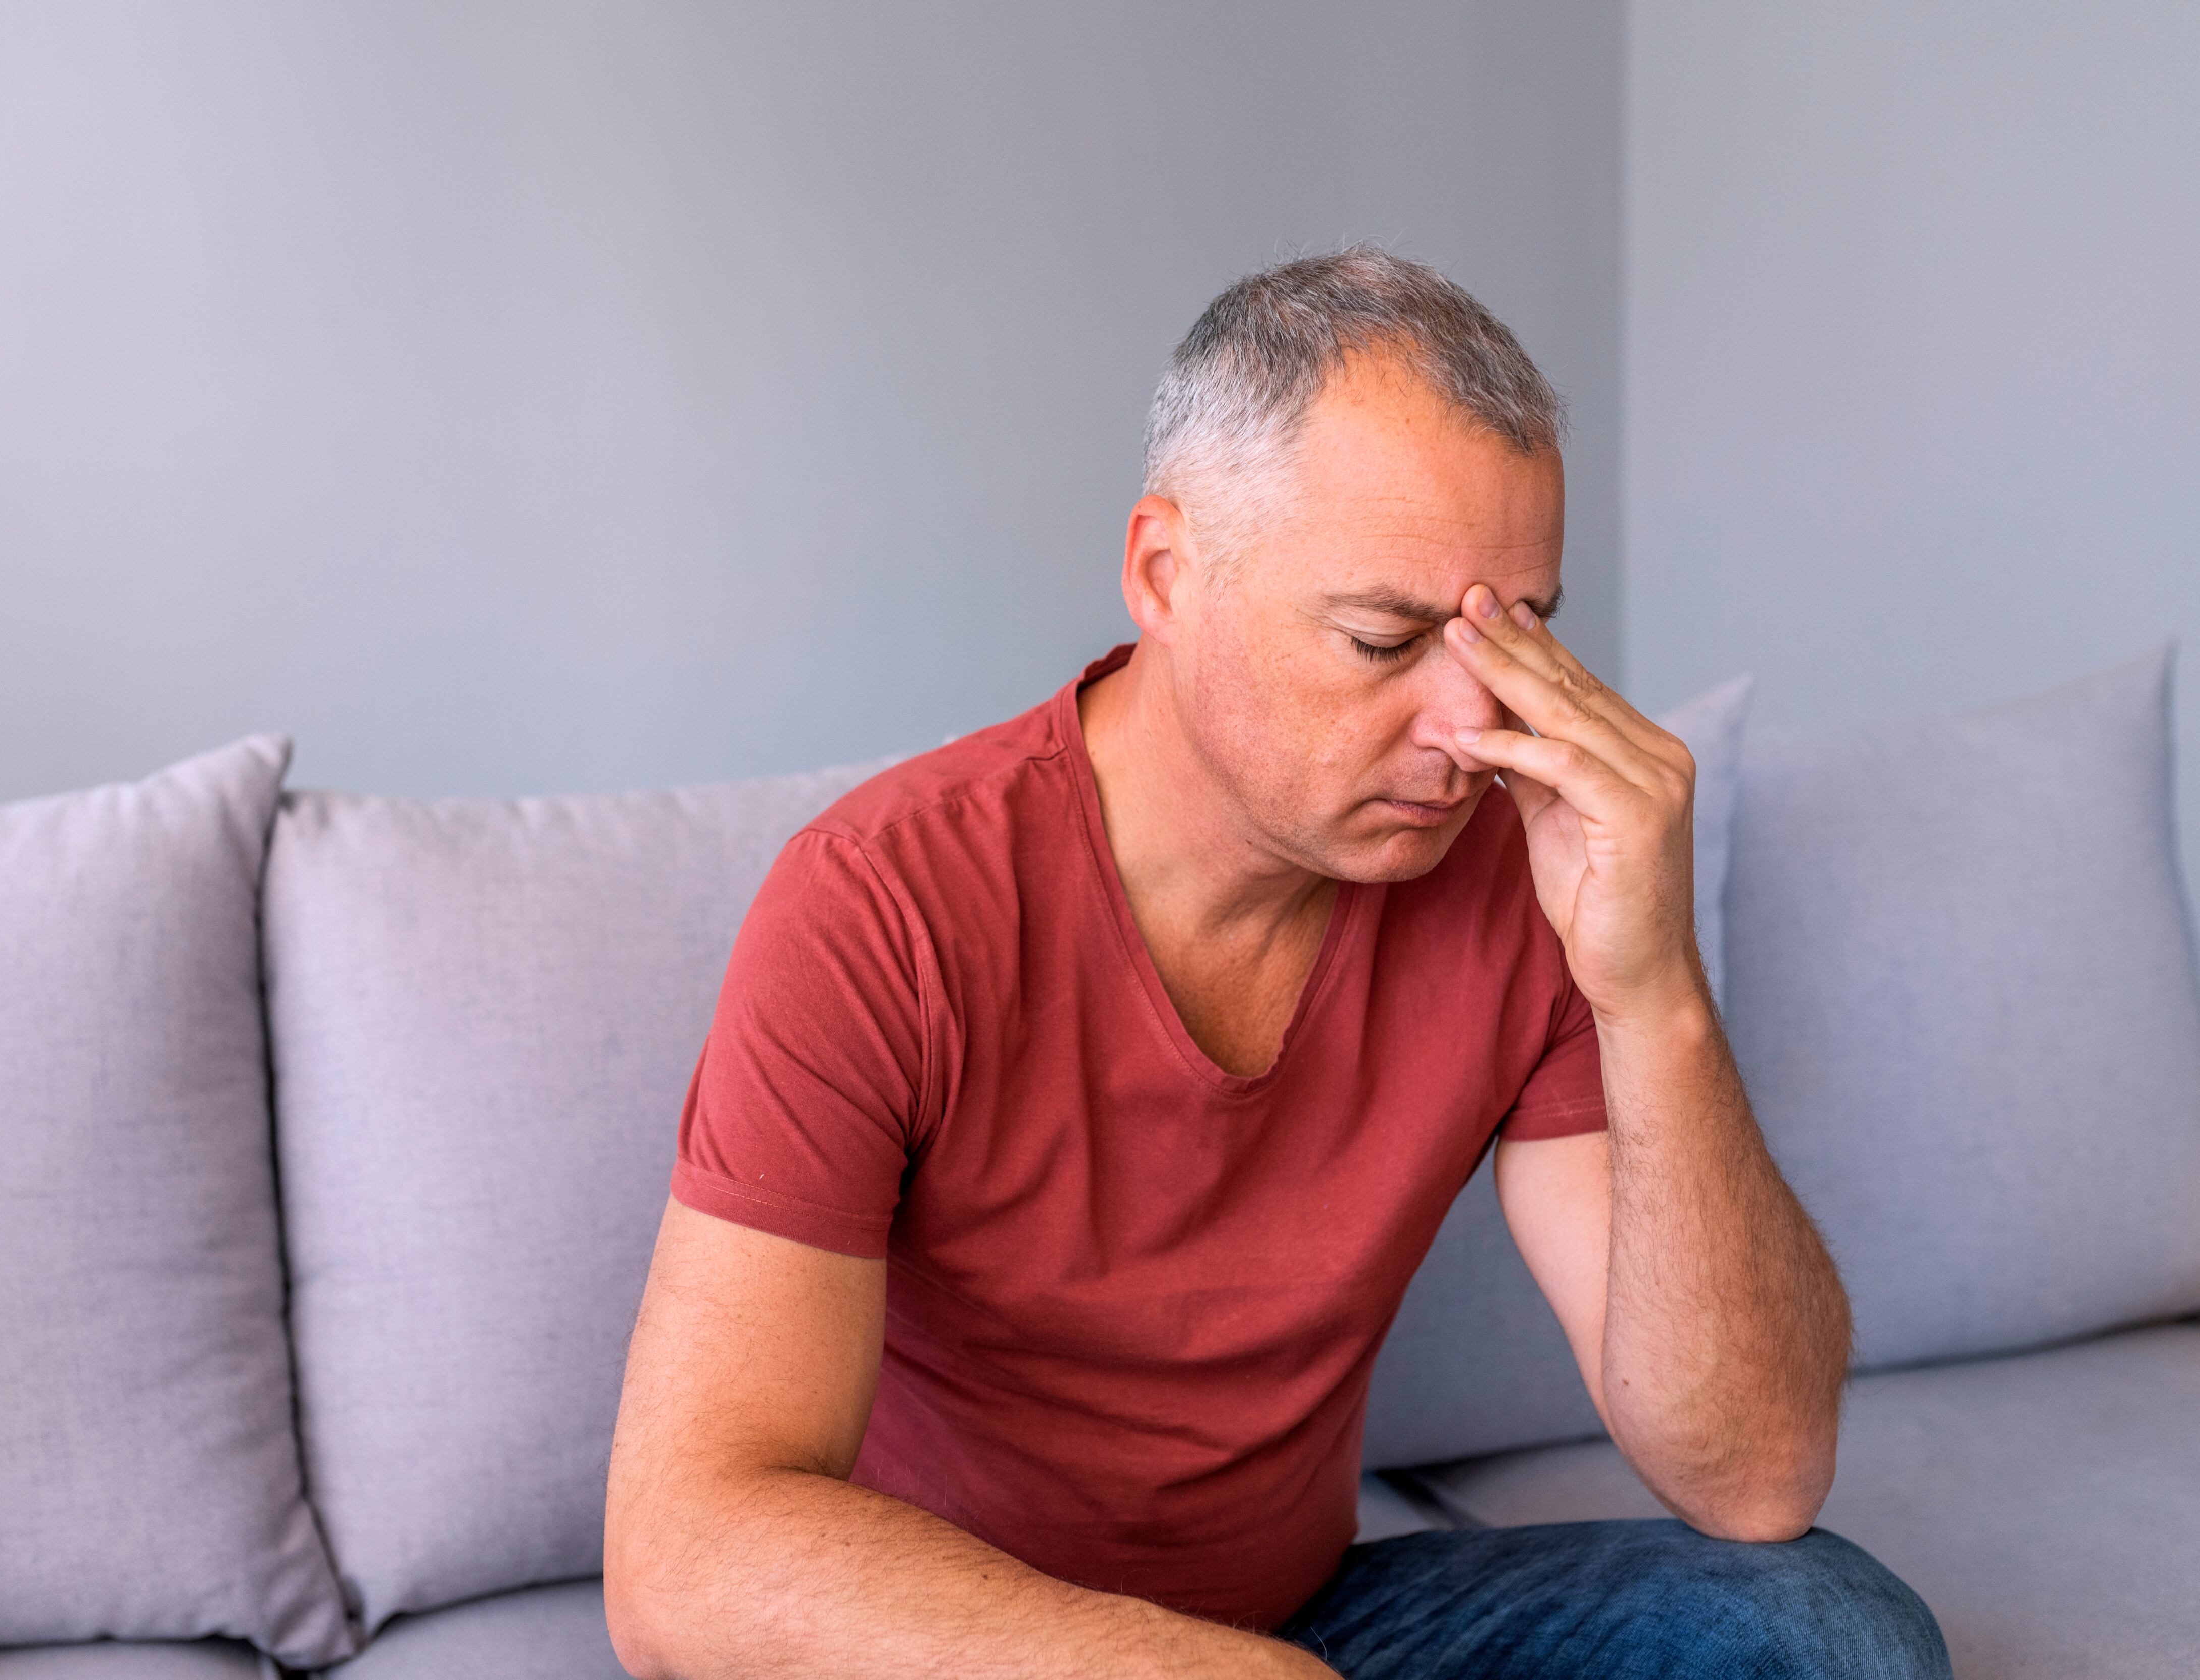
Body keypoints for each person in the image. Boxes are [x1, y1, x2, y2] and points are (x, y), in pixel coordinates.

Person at [602, 246, 1950, 1678]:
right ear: (1166, 575)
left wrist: (1657, 991)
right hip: (952, 1648)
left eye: (1521, 636)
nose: (1468, 727)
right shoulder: (885, 905)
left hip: (1302, 1633)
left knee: (1822, 1635)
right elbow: (688, 1550)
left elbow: (1753, 1476)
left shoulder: (1528, 877)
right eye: (1387, 640)